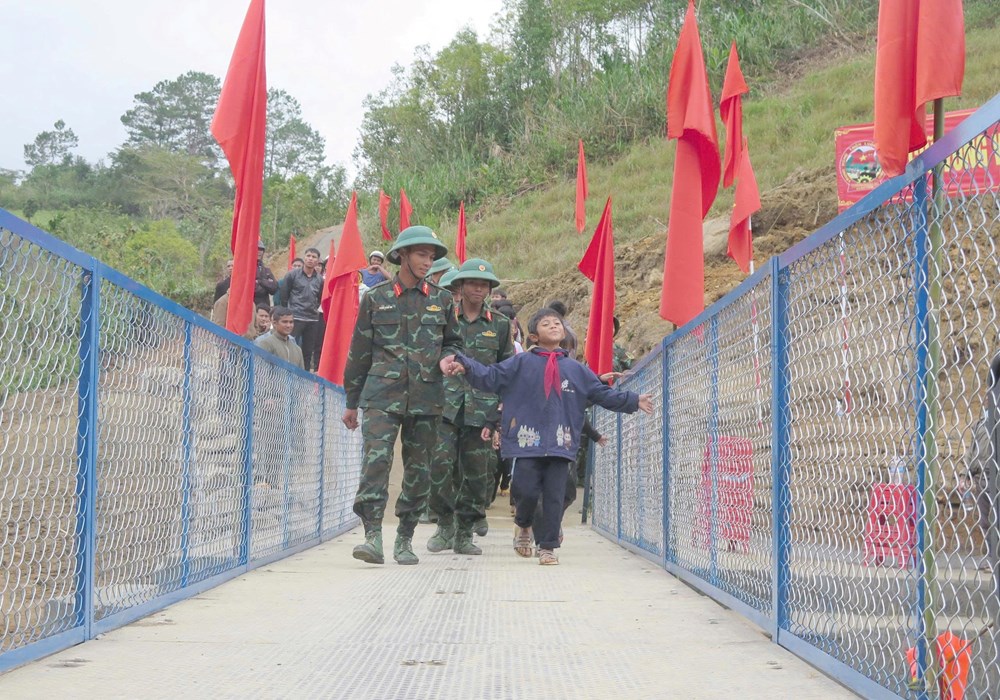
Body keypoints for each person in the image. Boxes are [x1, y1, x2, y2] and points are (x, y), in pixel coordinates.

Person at [441, 307, 654, 565]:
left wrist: (632, 400)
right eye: (546, 324)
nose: (554, 326)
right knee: (526, 492)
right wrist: (465, 363)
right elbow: (491, 376)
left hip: (560, 443)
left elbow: (601, 394)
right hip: (526, 442)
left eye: (557, 323)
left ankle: (547, 547)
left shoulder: (576, 370)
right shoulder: (520, 363)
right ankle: (523, 524)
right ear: (533, 336)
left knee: (554, 495)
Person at [343, 226, 462, 566]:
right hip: (382, 394)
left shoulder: (441, 300)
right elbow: (359, 353)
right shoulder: (376, 298)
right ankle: (372, 537)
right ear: (403, 256)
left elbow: (453, 341)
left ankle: (405, 538)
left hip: (427, 396)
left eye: (431, 256)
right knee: (375, 463)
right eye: (421, 254)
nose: (428, 261)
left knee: (419, 469)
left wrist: (449, 357)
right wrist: (352, 402)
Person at [426, 259, 513, 556]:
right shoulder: (443, 318)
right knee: (439, 466)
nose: (479, 288)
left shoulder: (500, 324)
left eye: (484, 284)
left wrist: (502, 410)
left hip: (482, 410)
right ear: (459, 287)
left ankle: (465, 532)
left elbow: (505, 368)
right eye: (473, 283)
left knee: (478, 474)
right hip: (444, 406)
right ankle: (444, 524)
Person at [283, 247, 324, 371]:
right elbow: (285, 294)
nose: (310, 259)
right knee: (290, 347)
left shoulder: (320, 279)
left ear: (317, 261)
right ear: (304, 257)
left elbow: (320, 298)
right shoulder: (292, 275)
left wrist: (313, 309)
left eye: (314, 257)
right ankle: (287, 373)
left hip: (312, 319)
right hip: (295, 317)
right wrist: (287, 314)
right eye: (308, 256)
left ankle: (304, 378)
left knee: (307, 351)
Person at [252, 240, 279, 306]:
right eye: (257, 249)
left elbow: (274, 288)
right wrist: (266, 283)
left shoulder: (267, 270)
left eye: (261, 250)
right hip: (252, 306)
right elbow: (254, 291)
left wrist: (260, 281)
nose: (259, 252)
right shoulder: (247, 269)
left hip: (265, 308)